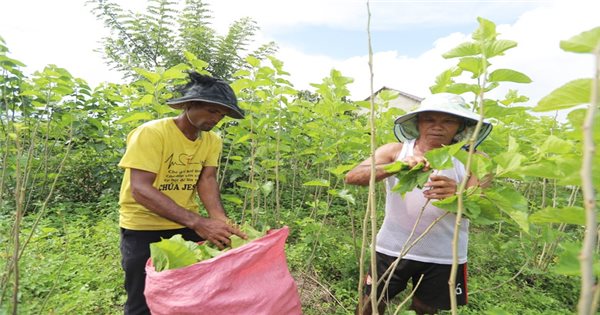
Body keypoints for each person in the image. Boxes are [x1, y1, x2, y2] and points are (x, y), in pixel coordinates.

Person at [345, 93, 493, 315]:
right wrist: (396, 167)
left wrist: (460, 195)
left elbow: (482, 205)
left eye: (448, 121)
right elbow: (353, 176)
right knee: (371, 303)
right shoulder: (395, 151)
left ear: (461, 125)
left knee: (425, 309)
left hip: (444, 254)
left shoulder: (476, 159)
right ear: (418, 122)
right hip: (392, 247)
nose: (437, 127)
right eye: (429, 119)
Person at [118, 71, 247, 315]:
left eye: (222, 114)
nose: (217, 118)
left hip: (185, 227)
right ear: (189, 104)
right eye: (212, 110)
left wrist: (220, 222)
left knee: (186, 295)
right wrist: (199, 223)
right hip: (143, 229)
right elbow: (140, 189)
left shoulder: (212, 141)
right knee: (142, 302)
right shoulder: (152, 133)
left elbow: (206, 179)